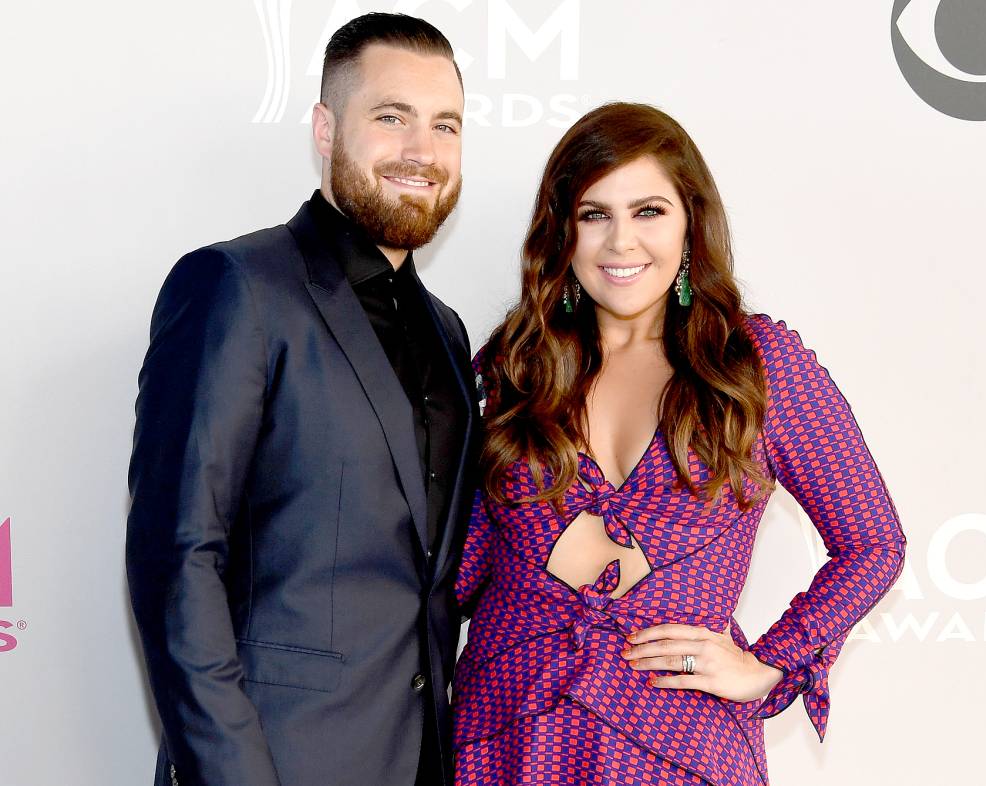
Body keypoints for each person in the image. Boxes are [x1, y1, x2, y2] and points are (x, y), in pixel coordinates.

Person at [453, 102, 906, 785]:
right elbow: (459, 570)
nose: (620, 243)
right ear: (562, 232)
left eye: (649, 212)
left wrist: (770, 664)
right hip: (508, 735)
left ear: (691, 220)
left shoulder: (756, 365)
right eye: (593, 213)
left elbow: (873, 544)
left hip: (679, 748)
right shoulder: (516, 367)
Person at [126, 13, 477, 786]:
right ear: (325, 128)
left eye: (445, 125)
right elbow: (176, 560)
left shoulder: (450, 336)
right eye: (392, 118)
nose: (422, 150)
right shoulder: (236, 288)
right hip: (277, 762)